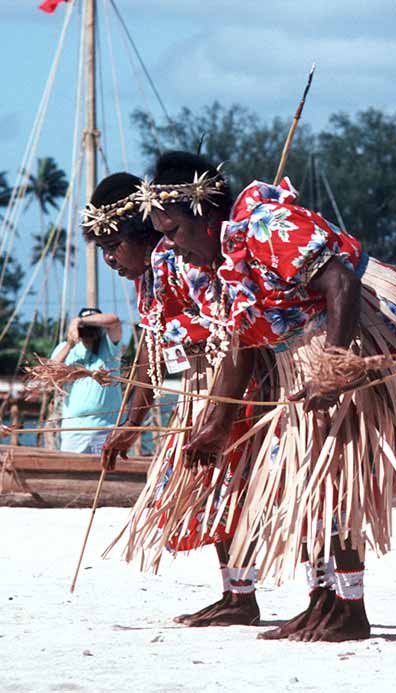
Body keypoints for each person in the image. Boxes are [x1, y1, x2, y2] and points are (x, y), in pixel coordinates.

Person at [136, 151, 396, 642]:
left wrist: (333, 367)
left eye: (173, 229)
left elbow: (340, 282)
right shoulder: (227, 258)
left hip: (338, 345)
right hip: (297, 360)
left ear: (203, 212)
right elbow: (247, 340)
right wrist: (219, 422)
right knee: (301, 482)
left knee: (329, 477)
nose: (170, 245)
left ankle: (349, 609)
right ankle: (323, 601)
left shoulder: (265, 226)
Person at [82, 172, 262, 627]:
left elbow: (237, 333)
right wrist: (130, 424)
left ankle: (251, 596)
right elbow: (151, 351)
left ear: (142, 236)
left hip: (232, 388)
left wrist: (221, 410)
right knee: (209, 491)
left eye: (113, 246)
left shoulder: (182, 262)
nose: (109, 260)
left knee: (231, 488)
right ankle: (236, 592)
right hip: (198, 392)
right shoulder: (148, 278)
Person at [49, 307, 123, 454]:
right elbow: (49, 371)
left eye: (92, 328)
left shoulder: (109, 347)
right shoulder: (66, 348)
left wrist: (81, 321)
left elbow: (114, 321)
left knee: (107, 473)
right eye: (84, 329)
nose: (88, 333)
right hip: (73, 431)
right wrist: (70, 343)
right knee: (70, 475)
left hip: (106, 429)